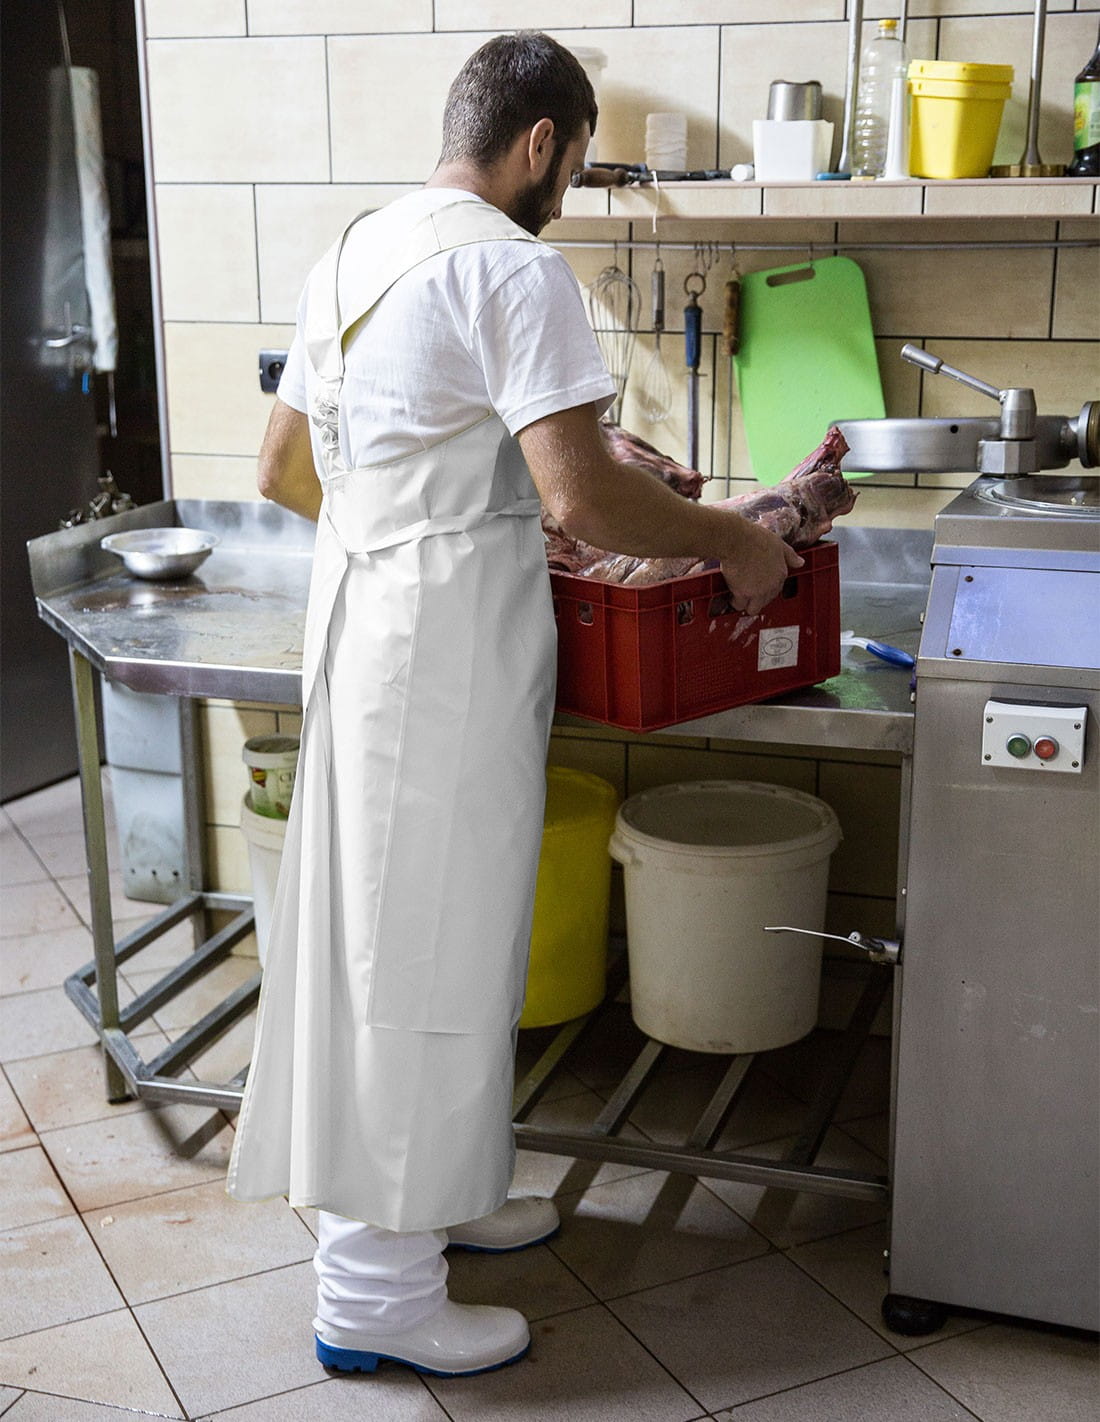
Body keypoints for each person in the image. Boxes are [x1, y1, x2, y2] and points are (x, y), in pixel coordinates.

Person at [227, 30, 801, 1380]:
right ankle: (374, 1292)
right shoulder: (511, 266)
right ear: (542, 140)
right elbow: (582, 496)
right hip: (441, 660)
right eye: (578, 164)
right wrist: (730, 537)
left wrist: (411, 531)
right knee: (414, 955)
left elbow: (283, 471)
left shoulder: (356, 249)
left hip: (369, 635)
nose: (571, 191)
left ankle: (443, 1192)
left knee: (437, 938)